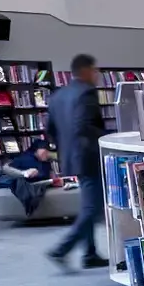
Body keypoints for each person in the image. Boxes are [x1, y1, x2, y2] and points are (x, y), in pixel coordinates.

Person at [45, 53, 107, 270]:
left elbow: (50, 130)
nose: (97, 75)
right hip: (89, 157)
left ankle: (90, 254)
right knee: (93, 208)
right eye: (96, 70)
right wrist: (107, 138)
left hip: (71, 158)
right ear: (86, 70)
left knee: (87, 206)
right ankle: (61, 249)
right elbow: (86, 126)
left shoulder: (57, 96)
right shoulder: (87, 93)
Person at [0, 139, 56, 216]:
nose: (47, 154)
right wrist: (24, 173)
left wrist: (55, 179)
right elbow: (6, 168)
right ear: (36, 150)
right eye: (44, 151)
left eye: (48, 151)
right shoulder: (24, 158)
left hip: (42, 183)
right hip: (25, 181)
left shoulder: (46, 162)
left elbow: (51, 175)